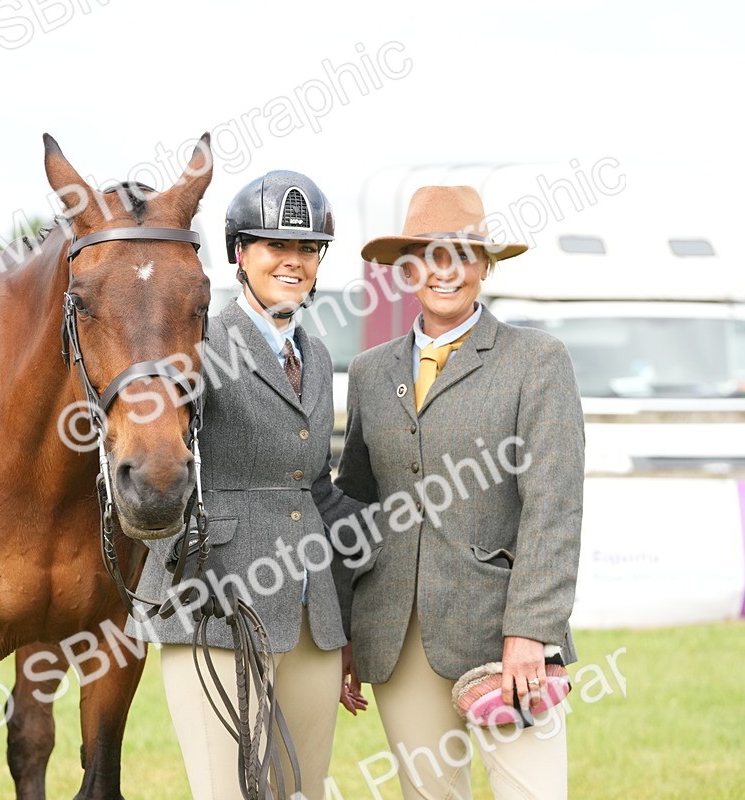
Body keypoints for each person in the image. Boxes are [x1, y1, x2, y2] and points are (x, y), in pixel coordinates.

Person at [333, 185, 585, 799]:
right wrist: (344, 632)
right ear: (406, 269)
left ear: (485, 266)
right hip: (393, 634)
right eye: (429, 256)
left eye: (463, 255)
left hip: (502, 637)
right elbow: (356, 506)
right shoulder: (370, 371)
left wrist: (532, 630)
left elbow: (554, 506)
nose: (445, 272)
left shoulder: (538, 361)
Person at [129, 171, 366, 800]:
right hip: (217, 598)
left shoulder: (315, 355)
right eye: (274, 247)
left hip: (314, 614)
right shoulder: (197, 341)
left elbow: (313, 483)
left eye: (307, 250)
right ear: (239, 253)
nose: (293, 262)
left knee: (301, 792)